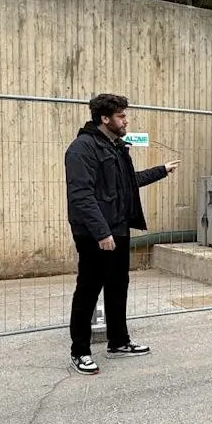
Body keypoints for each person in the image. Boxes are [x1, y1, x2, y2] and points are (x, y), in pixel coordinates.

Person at [65, 93, 180, 375]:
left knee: (118, 287)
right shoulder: (82, 149)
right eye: (120, 116)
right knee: (88, 290)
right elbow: (81, 196)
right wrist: (102, 233)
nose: (125, 120)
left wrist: (161, 171)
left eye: (124, 115)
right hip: (95, 234)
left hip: (117, 228)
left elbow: (131, 182)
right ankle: (79, 351)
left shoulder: (116, 148)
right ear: (105, 118)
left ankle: (118, 342)